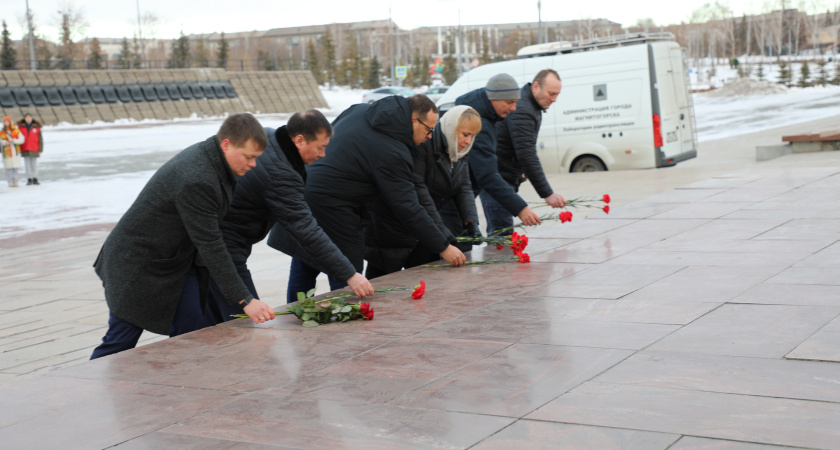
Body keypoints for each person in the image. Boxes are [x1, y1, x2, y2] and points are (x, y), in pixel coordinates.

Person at [90, 113, 276, 359]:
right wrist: (245, 299)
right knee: (120, 340)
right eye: (249, 157)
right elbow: (211, 243)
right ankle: (86, 388)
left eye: (256, 158)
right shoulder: (198, 178)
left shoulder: (215, 161)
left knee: (191, 333)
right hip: (137, 265)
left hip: (172, 263)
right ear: (227, 144)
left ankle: (187, 390)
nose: (253, 165)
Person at [268, 94, 466, 303]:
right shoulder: (393, 151)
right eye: (429, 130)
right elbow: (407, 206)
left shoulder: (359, 110)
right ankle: (347, 316)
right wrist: (443, 246)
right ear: (413, 120)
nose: (430, 137)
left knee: (306, 256)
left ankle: (293, 313)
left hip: (304, 188)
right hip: (335, 206)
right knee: (347, 273)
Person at [205, 110, 375, 324]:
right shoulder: (280, 173)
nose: (323, 155)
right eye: (320, 147)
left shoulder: (270, 138)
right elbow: (306, 230)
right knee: (244, 321)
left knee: (217, 320)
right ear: (300, 140)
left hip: (221, 242)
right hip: (222, 247)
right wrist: (350, 274)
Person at [364, 105, 481, 277]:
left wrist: (471, 221)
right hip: (393, 228)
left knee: (423, 283)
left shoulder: (459, 151)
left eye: (473, 136)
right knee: (382, 284)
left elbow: (464, 187)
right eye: (465, 134)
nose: (468, 141)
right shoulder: (424, 143)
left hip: (424, 230)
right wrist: (440, 230)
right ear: (451, 129)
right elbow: (419, 189)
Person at [442, 73, 541, 238]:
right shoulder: (479, 122)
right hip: (451, 204)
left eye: (515, 102)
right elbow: (486, 175)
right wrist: (520, 208)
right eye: (509, 102)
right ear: (493, 98)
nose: (514, 108)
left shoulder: (488, 116)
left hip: (460, 202)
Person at [485, 69, 567, 235]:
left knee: (503, 231)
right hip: (497, 177)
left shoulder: (532, 105)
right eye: (551, 93)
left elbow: (518, 145)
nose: (554, 99)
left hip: (504, 174)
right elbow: (526, 152)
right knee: (502, 233)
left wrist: (520, 171)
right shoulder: (523, 109)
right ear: (536, 87)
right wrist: (547, 193)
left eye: (557, 94)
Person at [17, 113, 44, 185]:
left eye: (29, 117)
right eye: (27, 117)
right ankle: (29, 178)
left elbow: (40, 139)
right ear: (24, 119)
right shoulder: (20, 127)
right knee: (27, 165)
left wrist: (40, 149)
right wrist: (18, 149)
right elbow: (17, 138)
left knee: (34, 164)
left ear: (32, 118)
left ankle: (35, 177)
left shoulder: (37, 127)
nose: (28, 119)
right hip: (25, 148)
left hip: (34, 148)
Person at [1, 116, 24, 188]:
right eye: (5, 122)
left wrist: (14, 140)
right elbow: (0, 140)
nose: (6, 123)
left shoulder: (16, 130)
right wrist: (5, 142)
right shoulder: (2, 131)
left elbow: (22, 139)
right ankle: (10, 181)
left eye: (7, 122)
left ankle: (16, 181)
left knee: (15, 168)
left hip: (15, 151)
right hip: (6, 151)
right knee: (8, 168)